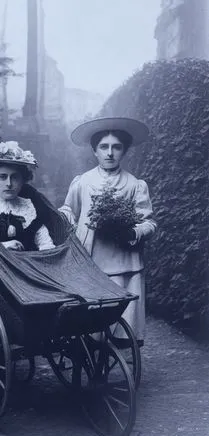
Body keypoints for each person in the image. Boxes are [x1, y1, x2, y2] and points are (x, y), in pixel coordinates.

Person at [59, 117, 157, 346]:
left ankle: (118, 344)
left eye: (117, 147)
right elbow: (67, 210)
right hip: (90, 261)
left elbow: (149, 222)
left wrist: (133, 233)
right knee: (91, 322)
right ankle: (89, 349)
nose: (110, 153)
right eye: (104, 147)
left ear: (124, 151)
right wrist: (68, 223)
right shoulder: (83, 182)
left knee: (119, 317)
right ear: (94, 150)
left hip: (124, 263)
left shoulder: (134, 185)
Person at [0, 141, 55, 251]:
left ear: (22, 181)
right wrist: (3, 246)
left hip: (31, 264)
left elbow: (45, 243)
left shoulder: (31, 207)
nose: (9, 183)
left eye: (14, 177)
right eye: (2, 177)